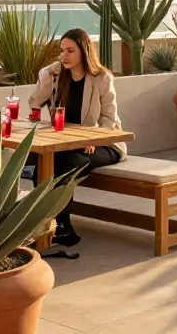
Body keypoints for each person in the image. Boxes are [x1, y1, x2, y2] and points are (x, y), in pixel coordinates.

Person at [28, 28, 126, 247]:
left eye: (70, 51)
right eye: (61, 51)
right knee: (43, 162)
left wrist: (92, 139)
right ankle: (43, 223)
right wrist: (45, 78)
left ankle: (62, 224)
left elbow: (109, 120)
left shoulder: (101, 78)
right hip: (66, 143)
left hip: (104, 144)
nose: (64, 56)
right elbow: (34, 102)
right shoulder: (55, 75)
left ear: (84, 51)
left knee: (69, 163)